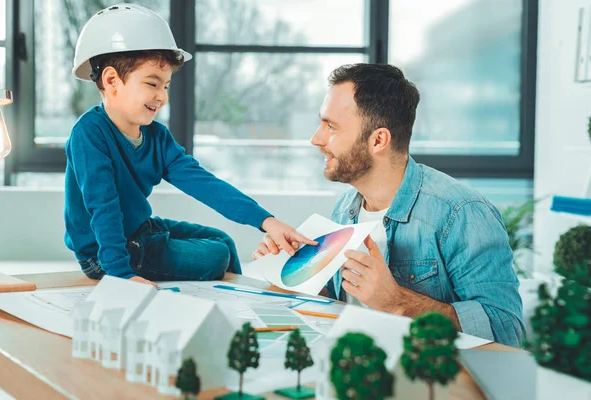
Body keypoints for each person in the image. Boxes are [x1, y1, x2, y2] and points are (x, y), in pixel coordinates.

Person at [253, 63, 525, 347]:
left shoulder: (461, 213)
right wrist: (290, 272)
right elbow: (343, 306)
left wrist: (398, 303)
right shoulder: (347, 205)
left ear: (378, 140)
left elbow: (507, 331)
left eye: (330, 126)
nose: (316, 139)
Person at [64, 4, 315, 288]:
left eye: (166, 86)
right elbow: (103, 207)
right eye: (152, 83)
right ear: (112, 80)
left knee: (223, 241)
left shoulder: (157, 136)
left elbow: (205, 184)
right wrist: (121, 275)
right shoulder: (89, 134)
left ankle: (235, 303)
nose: (161, 96)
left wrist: (267, 221)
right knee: (217, 255)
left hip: (139, 232)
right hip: (105, 254)